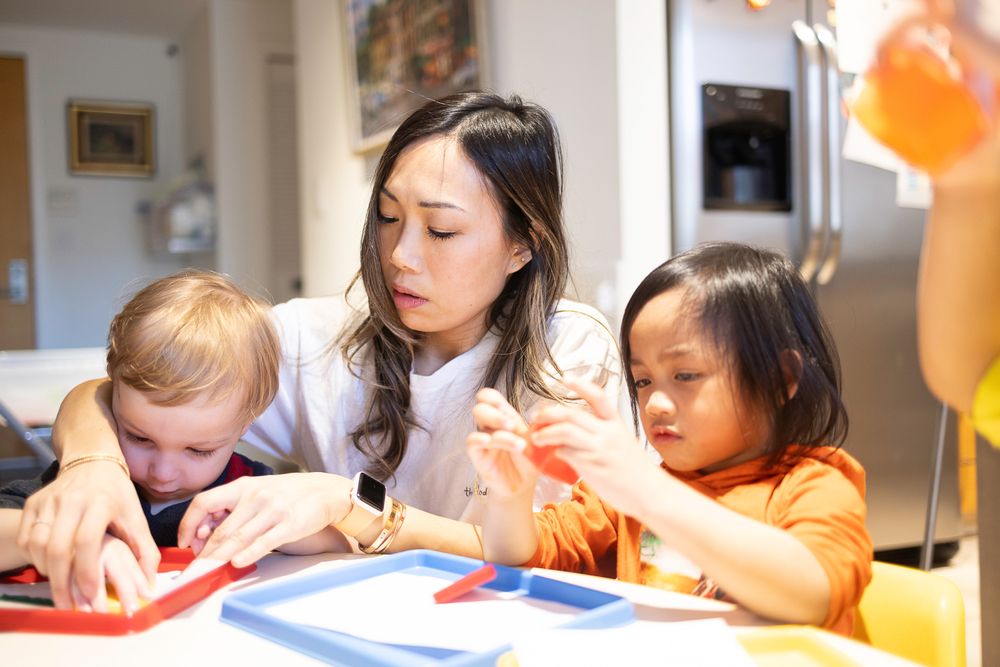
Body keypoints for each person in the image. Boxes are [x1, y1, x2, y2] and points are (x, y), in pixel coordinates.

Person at [19, 92, 623, 609]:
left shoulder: (566, 350)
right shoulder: (318, 336)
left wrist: (345, 502)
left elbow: (552, 546)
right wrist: (90, 467)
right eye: (388, 217)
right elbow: (103, 394)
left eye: (441, 231)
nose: (401, 256)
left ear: (522, 245)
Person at [467, 242, 874, 635]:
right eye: (643, 380)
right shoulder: (625, 496)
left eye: (685, 376)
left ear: (780, 378)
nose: (656, 403)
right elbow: (519, 558)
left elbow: (812, 594)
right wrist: (512, 495)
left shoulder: (815, 485)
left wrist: (649, 493)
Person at [1, 270, 347, 611]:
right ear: (114, 398)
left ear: (245, 424)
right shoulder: (85, 484)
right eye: (139, 437)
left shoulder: (248, 489)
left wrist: (282, 533)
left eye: (199, 450)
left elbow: (338, 542)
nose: (163, 472)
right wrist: (56, 535)